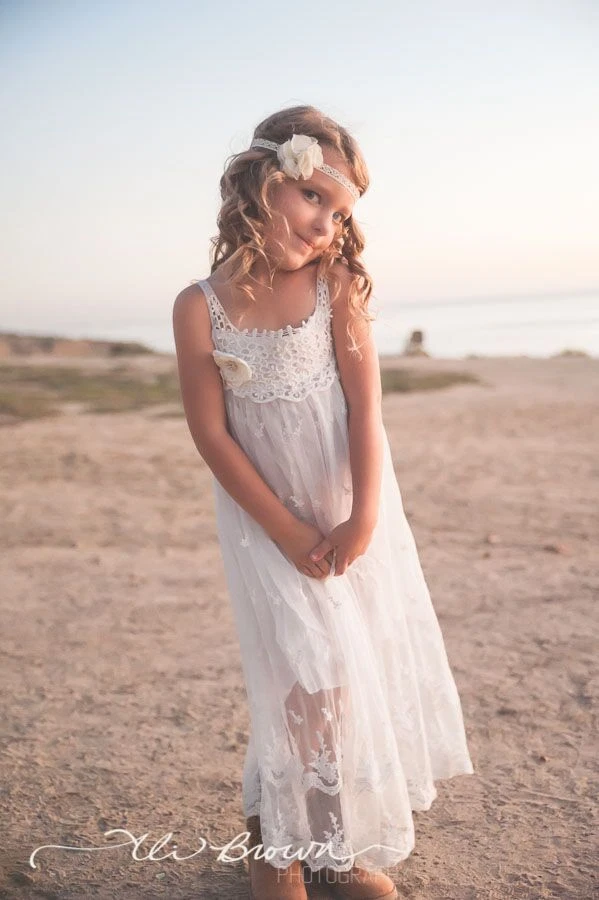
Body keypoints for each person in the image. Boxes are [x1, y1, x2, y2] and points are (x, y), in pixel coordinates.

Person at [172, 105, 474, 900]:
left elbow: (364, 410)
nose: (326, 224)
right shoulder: (198, 306)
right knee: (303, 677)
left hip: (347, 510)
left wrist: (362, 516)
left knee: (342, 676)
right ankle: (278, 853)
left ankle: (332, 845)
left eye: (340, 212)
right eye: (313, 198)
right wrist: (280, 528)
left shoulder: (333, 286)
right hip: (264, 521)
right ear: (262, 184)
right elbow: (210, 434)